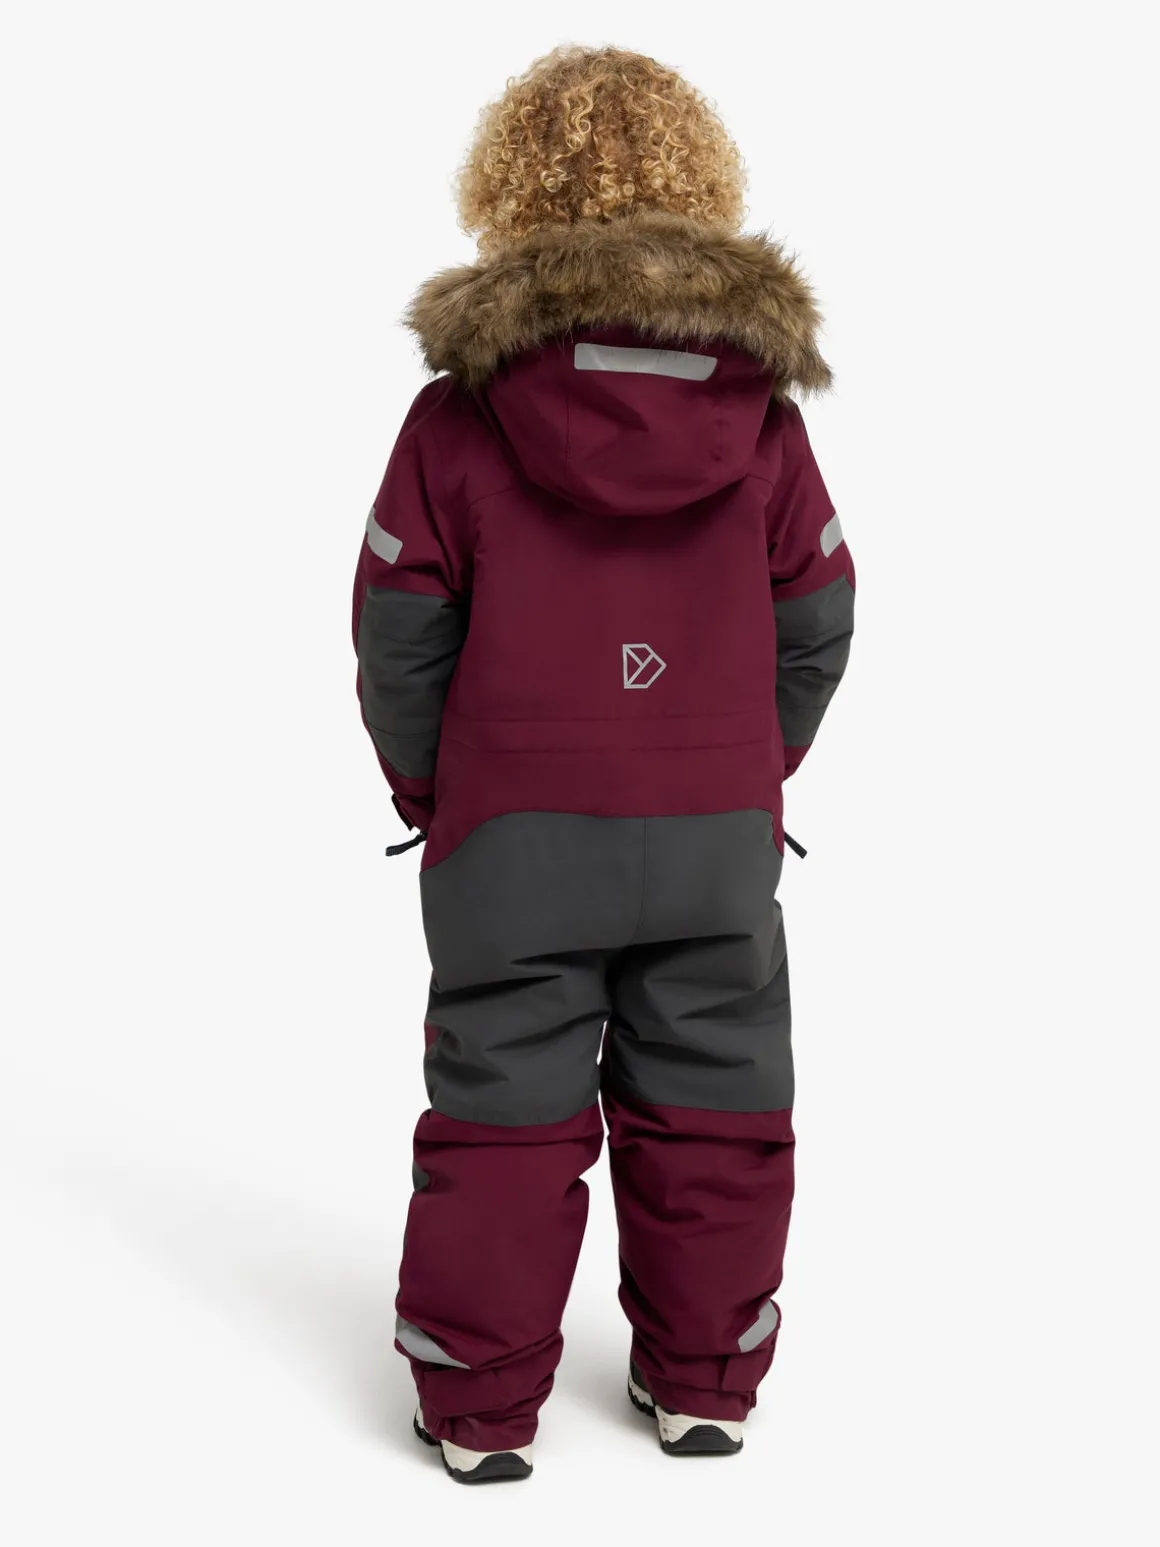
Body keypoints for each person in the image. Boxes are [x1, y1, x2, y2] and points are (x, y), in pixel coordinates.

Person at [351, 44, 854, 1484]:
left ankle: (476, 1408)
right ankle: (707, 1385)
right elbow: (821, 615)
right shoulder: (762, 419)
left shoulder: (461, 415)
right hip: (711, 828)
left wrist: (434, 792)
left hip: (512, 830)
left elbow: (399, 632)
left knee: (501, 1112)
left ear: (509, 186)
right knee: (720, 1101)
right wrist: (751, 767)